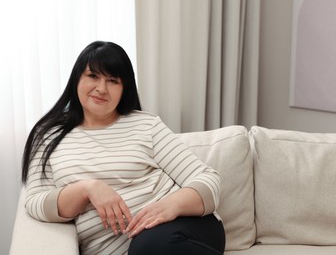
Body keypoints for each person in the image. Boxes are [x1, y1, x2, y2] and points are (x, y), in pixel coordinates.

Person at [22, 41, 225, 255]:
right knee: (144, 246)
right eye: (93, 76)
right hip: (138, 247)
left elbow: (208, 179)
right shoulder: (48, 135)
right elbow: (35, 202)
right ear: (76, 79)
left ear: (124, 88)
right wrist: (87, 188)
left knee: (147, 246)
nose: (101, 88)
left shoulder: (146, 125)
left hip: (186, 227)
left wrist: (170, 206)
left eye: (112, 81)